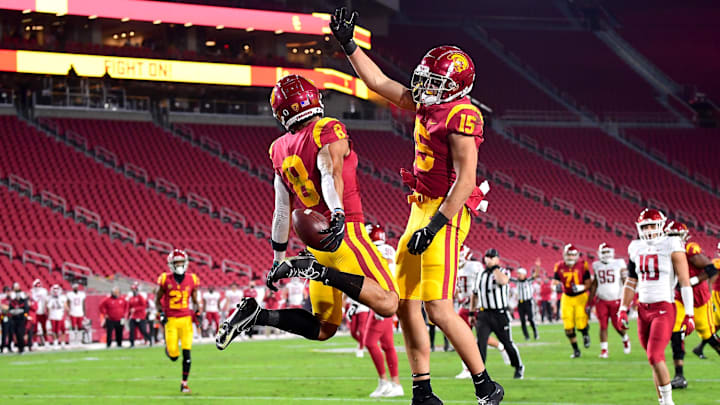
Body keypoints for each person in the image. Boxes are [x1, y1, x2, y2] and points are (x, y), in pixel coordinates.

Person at [329, 8, 502, 404]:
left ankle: (485, 385)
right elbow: (377, 81)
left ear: (456, 87)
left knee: (438, 307)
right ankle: (422, 389)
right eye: (427, 79)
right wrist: (349, 44)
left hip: (447, 211)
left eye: (436, 81)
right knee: (405, 303)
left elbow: (466, 181)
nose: (426, 87)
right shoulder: (428, 103)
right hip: (419, 207)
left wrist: (436, 225)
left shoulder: (462, 115)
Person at [216, 74, 399, 354]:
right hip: (343, 233)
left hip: (314, 245)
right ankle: (320, 272)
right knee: (389, 303)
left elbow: (281, 209)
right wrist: (337, 211)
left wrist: (278, 258)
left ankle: (257, 315)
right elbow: (328, 171)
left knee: (323, 328)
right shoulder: (326, 128)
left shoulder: (278, 149)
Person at [618, 209, 694, 405]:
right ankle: (662, 402)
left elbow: (685, 282)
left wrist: (690, 314)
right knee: (654, 360)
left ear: (661, 226)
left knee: (654, 355)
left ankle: (669, 403)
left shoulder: (671, 244)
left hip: (663, 307)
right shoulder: (636, 247)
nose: (649, 230)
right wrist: (623, 309)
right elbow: (631, 281)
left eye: (652, 225)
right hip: (643, 309)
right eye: (645, 226)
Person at [662, 222, 719, 389]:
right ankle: (679, 376)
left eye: (675, 236)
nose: (672, 239)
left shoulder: (690, 250)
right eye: (670, 236)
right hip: (680, 299)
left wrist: (693, 280)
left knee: (709, 336)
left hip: (700, 301)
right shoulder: (665, 252)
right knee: (675, 333)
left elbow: (711, 269)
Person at [363, 223, 403, 398]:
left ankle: (384, 382)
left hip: (381, 300)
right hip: (392, 296)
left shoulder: (371, 251)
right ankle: (396, 384)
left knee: (370, 342)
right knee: (388, 345)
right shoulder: (390, 250)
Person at [471, 249, 524, 380]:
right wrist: (472, 312)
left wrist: (495, 268)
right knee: (481, 343)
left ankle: (518, 366)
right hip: (483, 314)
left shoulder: (503, 272)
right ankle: (480, 373)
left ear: (497, 259)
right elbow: (475, 294)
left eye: (492, 257)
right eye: (487, 256)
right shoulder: (480, 274)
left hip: (500, 314)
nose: (489, 259)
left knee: (507, 343)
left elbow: (503, 281)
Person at [156, 249, 200, 393]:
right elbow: (158, 300)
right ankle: (169, 350)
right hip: (171, 321)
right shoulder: (165, 279)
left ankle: (184, 384)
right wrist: (161, 313)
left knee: (187, 353)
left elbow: (194, 300)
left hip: (186, 320)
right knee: (174, 356)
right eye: (177, 262)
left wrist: (198, 311)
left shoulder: (192, 279)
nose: (179, 264)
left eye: (181, 262)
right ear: (171, 264)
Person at [591, 243, 631, 358]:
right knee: (603, 326)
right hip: (601, 300)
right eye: (604, 252)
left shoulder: (619, 263)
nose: (606, 254)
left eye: (608, 252)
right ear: (599, 253)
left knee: (617, 325)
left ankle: (625, 338)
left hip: (616, 299)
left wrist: (627, 297)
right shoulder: (596, 265)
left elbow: (625, 280)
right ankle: (604, 350)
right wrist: (590, 301)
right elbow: (595, 284)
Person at [553, 244, 593, 358]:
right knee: (568, 327)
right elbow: (555, 281)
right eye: (568, 254)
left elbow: (588, 282)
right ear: (564, 255)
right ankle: (576, 350)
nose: (570, 257)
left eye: (572, 255)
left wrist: (581, 287)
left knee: (581, 322)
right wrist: (556, 287)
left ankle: (585, 334)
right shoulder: (559, 265)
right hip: (567, 297)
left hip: (581, 296)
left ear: (576, 255)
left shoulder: (583, 264)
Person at [511, 268, 538, 341]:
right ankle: (526, 336)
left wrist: (537, 267)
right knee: (522, 320)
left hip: (528, 302)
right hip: (520, 303)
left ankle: (535, 333)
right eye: (518, 274)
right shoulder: (517, 281)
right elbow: (508, 278)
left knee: (530, 319)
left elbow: (535, 276)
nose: (518, 275)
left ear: (524, 274)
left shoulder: (528, 281)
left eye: (519, 274)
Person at [127, 282, 152, 347]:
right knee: (131, 330)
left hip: (140, 316)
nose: (133, 291)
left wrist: (136, 309)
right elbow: (129, 308)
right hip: (133, 317)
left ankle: (150, 340)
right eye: (132, 289)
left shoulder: (140, 297)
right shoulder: (131, 298)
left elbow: (143, 306)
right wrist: (128, 316)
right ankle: (132, 343)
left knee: (143, 330)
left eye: (134, 289)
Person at [7, 283, 29, 353]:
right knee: (16, 334)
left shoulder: (23, 301)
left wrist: (23, 314)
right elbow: (10, 310)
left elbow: (26, 310)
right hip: (14, 319)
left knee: (20, 333)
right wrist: (15, 312)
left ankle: (22, 348)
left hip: (21, 319)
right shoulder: (13, 302)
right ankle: (18, 347)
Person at [47, 284, 69, 349]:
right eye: (54, 290)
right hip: (53, 315)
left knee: (63, 330)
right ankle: (55, 342)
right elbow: (48, 307)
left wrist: (67, 314)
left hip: (61, 315)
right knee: (54, 330)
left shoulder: (63, 297)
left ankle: (62, 343)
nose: (56, 292)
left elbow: (66, 306)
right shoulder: (50, 298)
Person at [30, 279, 48, 345]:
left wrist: (46, 310)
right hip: (35, 312)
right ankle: (34, 342)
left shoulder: (44, 291)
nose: (38, 286)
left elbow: (46, 302)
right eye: (36, 285)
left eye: (39, 284)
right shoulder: (32, 291)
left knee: (44, 328)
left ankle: (46, 341)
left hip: (42, 312)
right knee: (35, 328)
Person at [1, 286, 11, 352]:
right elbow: (3, 308)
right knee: (4, 332)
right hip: (4, 317)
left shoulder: (11, 300)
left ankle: (9, 346)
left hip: (11, 317)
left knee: (11, 333)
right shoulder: (3, 299)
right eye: (7, 291)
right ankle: (3, 347)